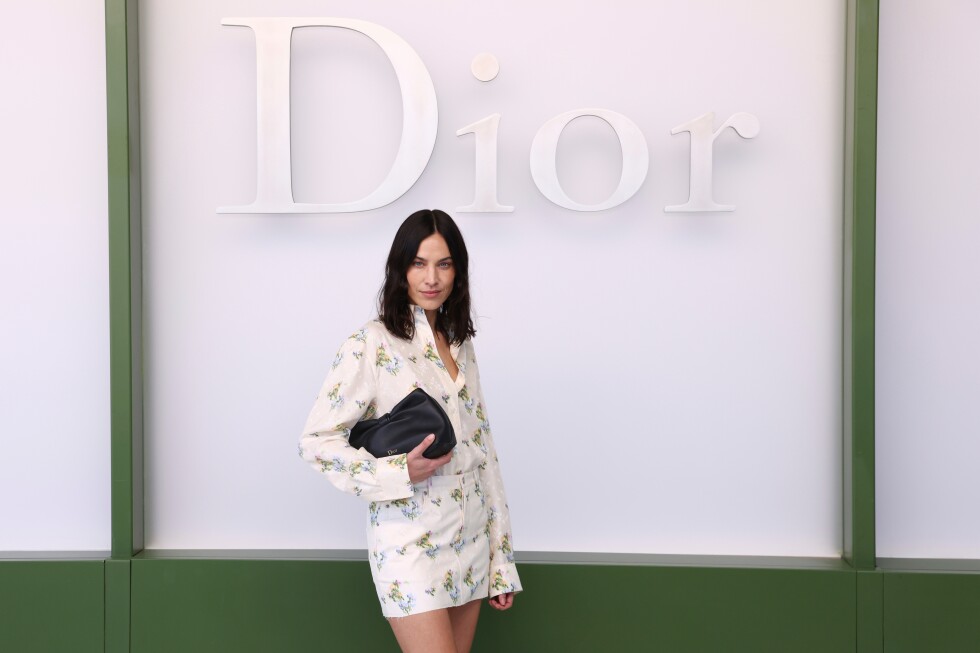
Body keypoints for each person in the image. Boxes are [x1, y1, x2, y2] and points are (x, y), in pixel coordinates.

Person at [299, 209, 521, 653]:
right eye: (419, 263)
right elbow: (317, 442)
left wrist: (501, 561)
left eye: (444, 264)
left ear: (458, 271)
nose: (431, 278)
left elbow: (484, 452)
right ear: (400, 269)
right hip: (410, 543)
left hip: (472, 539)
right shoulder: (371, 343)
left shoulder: (460, 344)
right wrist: (398, 472)